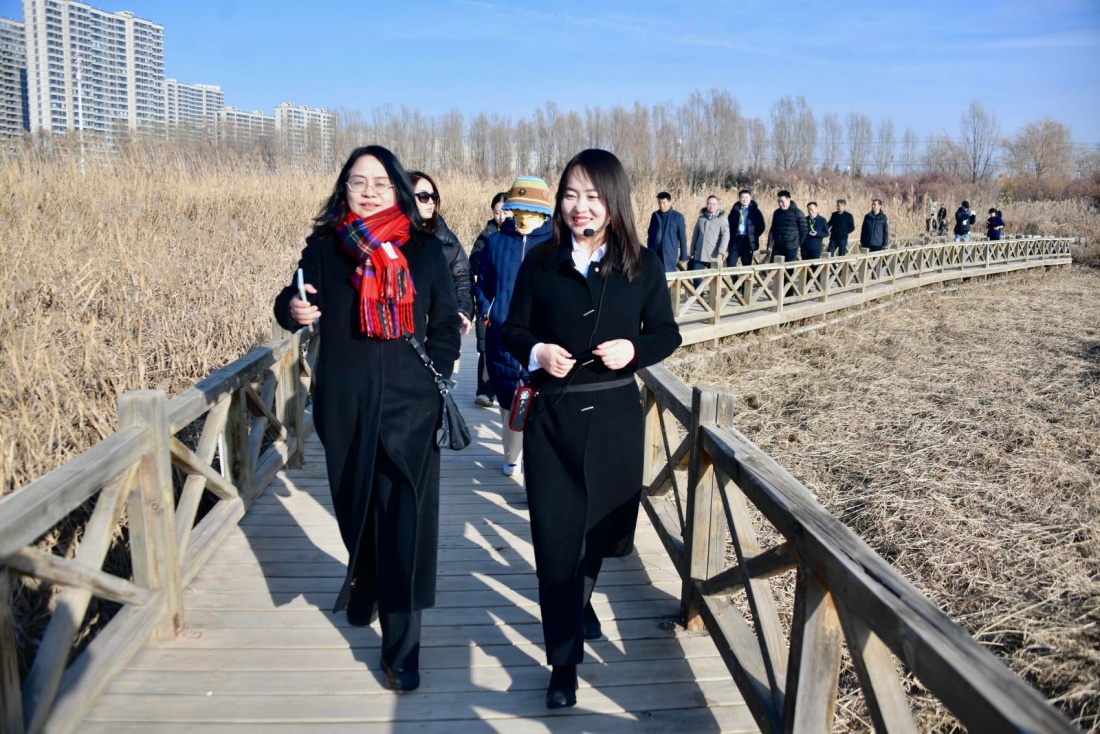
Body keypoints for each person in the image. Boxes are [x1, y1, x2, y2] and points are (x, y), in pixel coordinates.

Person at [273, 145, 461, 693]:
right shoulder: (324, 248)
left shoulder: (425, 250)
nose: (370, 191)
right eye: (359, 182)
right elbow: (290, 300)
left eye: (380, 182)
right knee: (356, 505)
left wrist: (434, 379)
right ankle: (367, 578)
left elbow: (446, 324)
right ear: (344, 190)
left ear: (398, 188)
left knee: (406, 519)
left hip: (411, 404)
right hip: (346, 403)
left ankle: (402, 647)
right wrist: (293, 309)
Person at [502, 149, 681, 710]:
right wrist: (537, 351)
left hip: (614, 420)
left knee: (599, 536)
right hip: (552, 420)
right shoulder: (541, 261)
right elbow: (511, 329)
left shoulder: (642, 265)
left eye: (593, 197)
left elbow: (667, 333)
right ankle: (563, 666)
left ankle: (580, 603)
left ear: (614, 201)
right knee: (556, 544)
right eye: (571, 195)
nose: (580, 207)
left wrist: (634, 350)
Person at [473, 176, 553, 476]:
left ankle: (537, 461)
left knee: (542, 401)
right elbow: (482, 284)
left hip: (543, 338)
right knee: (508, 399)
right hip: (502, 334)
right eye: (518, 210)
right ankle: (511, 456)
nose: (523, 217)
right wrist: (489, 310)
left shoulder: (556, 244)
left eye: (530, 212)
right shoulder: (496, 242)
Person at [409, 171, 473, 334]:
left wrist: (461, 310)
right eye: (423, 196)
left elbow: (462, 278)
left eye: (434, 196)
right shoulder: (389, 240)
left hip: (437, 330)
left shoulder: (445, 237)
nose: (431, 201)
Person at [469, 192, 509, 407]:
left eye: (505, 212)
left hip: (509, 299)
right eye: (497, 212)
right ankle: (485, 391)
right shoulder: (486, 236)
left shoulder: (519, 237)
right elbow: (473, 264)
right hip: (488, 298)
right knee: (485, 346)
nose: (501, 216)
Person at [688, 195, 730, 289]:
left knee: (715, 279)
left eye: (714, 204)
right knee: (696, 276)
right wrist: (692, 251)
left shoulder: (722, 219)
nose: (711, 206)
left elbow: (725, 236)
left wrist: (721, 251)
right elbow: (695, 235)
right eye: (709, 204)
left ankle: (713, 297)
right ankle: (699, 295)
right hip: (699, 253)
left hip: (714, 254)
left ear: (718, 205)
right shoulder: (701, 219)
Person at [646, 191, 688, 272]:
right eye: (659, 203)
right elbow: (650, 234)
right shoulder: (655, 215)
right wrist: (649, 250)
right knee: (654, 274)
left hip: (669, 253)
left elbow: (682, 237)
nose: (661, 205)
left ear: (669, 202)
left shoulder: (678, 217)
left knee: (669, 275)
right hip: (655, 252)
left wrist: (683, 256)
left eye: (663, 203)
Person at [726, 189, 766, 266]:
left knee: (746, 265)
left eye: (747, 197)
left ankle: (745, 275)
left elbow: (761, 226)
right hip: (735, 240)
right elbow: (729, 224)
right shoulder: (734, 210)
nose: (744, 199)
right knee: (730, 263)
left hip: (748, 241)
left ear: (750, 198)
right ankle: (734, 275)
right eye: (742, 197)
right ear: (739, 198)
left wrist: (754, 235)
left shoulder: (755, 211)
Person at [767, 189, 807, 264]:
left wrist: (797, 243)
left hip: (791, 247)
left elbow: (804, 231)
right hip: (777, 246)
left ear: (788, 199)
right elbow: (773, 229)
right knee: (773, 267)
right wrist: (769, 244)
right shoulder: (777, 213)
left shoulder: (797, 213)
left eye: (782, 201)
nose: (780, 204)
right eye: (778, 201)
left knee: (789, 269)